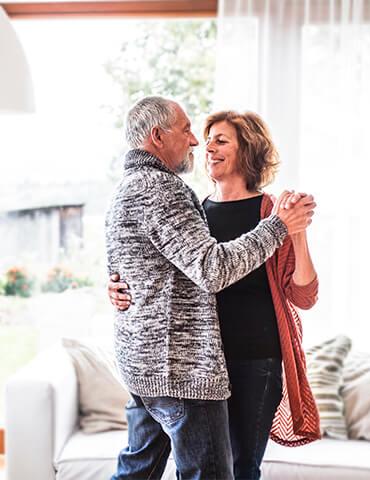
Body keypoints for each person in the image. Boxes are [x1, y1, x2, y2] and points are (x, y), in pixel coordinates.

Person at [105, 96, 316, 480]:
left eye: (221, 140)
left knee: (230, 467)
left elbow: (303, 294)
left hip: (248, 358)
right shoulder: (183, 200)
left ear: (248, 151)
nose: (199, 144)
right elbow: (207, 267)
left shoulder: (273, 208)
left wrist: (291, 230)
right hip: (190, 366)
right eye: (193, 133)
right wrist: (117, 286)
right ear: (157, 135)